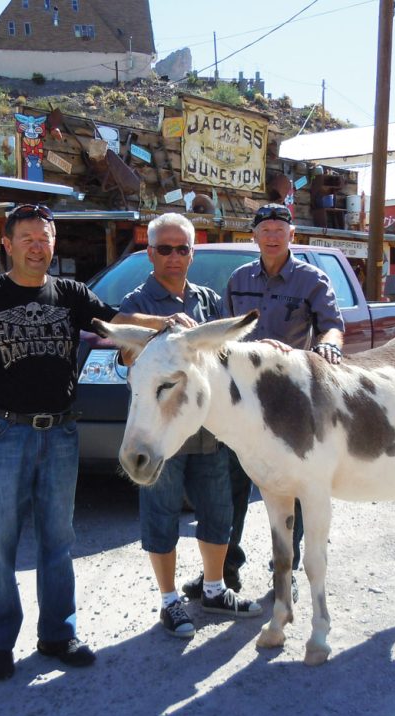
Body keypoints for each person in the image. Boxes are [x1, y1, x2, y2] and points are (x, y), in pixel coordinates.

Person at [0, 203, 194, 681]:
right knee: (0, 544)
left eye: (46, 238)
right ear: (8, 244)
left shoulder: (72, 294)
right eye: (28, 239)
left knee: (59, 540)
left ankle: (58, 633)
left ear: (54, 245)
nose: (39, 247)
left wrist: (167, 323)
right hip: (1, 432)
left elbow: (120, 319)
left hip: (59, 433)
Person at [183, 203, 345, 603]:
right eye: (265, 229)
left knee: (297, 488)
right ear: (254, 236)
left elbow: (332, 327)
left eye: (280, 229)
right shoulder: (239, 280)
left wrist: (328, 348)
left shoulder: (312, 280)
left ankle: (283, 572)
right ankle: (225, 569)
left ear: (292, 235)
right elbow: (224, 334)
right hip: (240, 401)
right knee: (233, 484)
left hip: (291, 402)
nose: (272, 235)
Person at [120, 213, 262, 639]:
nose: (175, 257)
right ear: (150, 254)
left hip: (208, 427)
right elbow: (129, 357)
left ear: (192, 253)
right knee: (161, 514)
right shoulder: (137, 303)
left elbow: (222, 359)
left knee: (218, 509)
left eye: (183, 248)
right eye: (165, 249)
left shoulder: (206, 300)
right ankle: (169, 601)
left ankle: (215, 589)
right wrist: (160, 334)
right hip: (162, 432)